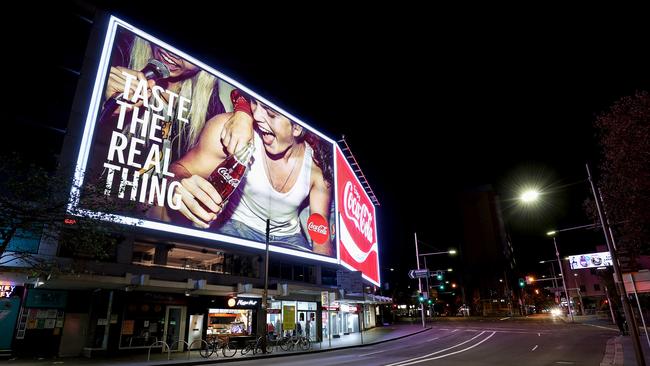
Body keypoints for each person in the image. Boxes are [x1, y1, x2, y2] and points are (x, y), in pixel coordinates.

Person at [168, 96, 334, 255]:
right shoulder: (232, 133)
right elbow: (179, 169)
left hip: (289, 238)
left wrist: (328, 276)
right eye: (254, 103)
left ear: (297, 127)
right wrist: (178, 184)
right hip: (237, 226)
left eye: (270, 113)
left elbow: (320, 233)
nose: (256, 116)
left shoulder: (317, 167)